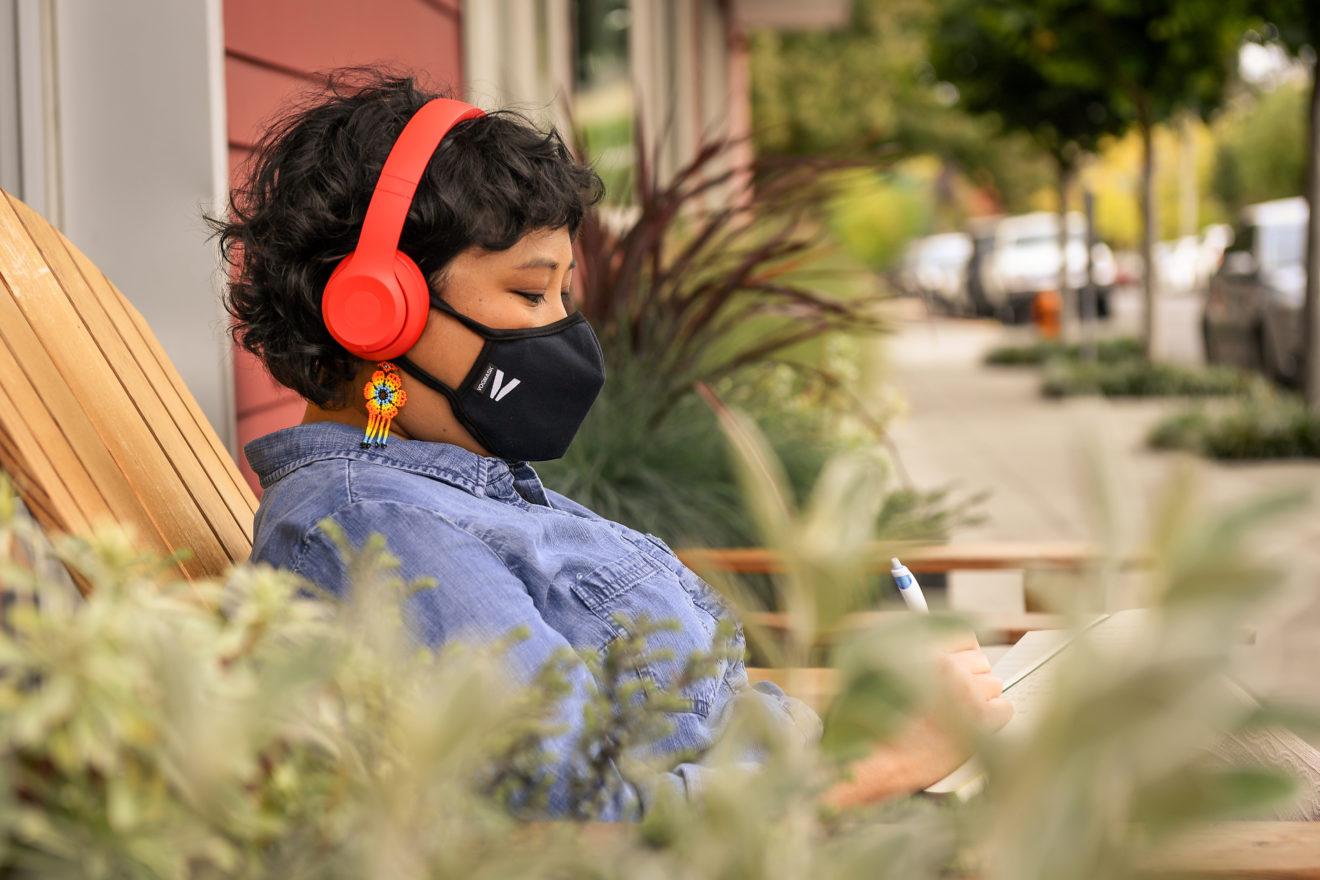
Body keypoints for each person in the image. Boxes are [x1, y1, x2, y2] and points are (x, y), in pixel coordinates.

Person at [216, 70, 1011, 821]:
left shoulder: (455, 486)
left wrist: (870, 725)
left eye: (564, 291)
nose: (563, 327)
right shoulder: (375, 530)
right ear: (372, 312)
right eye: (530, 292)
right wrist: (879, 767)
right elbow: (568, 820)